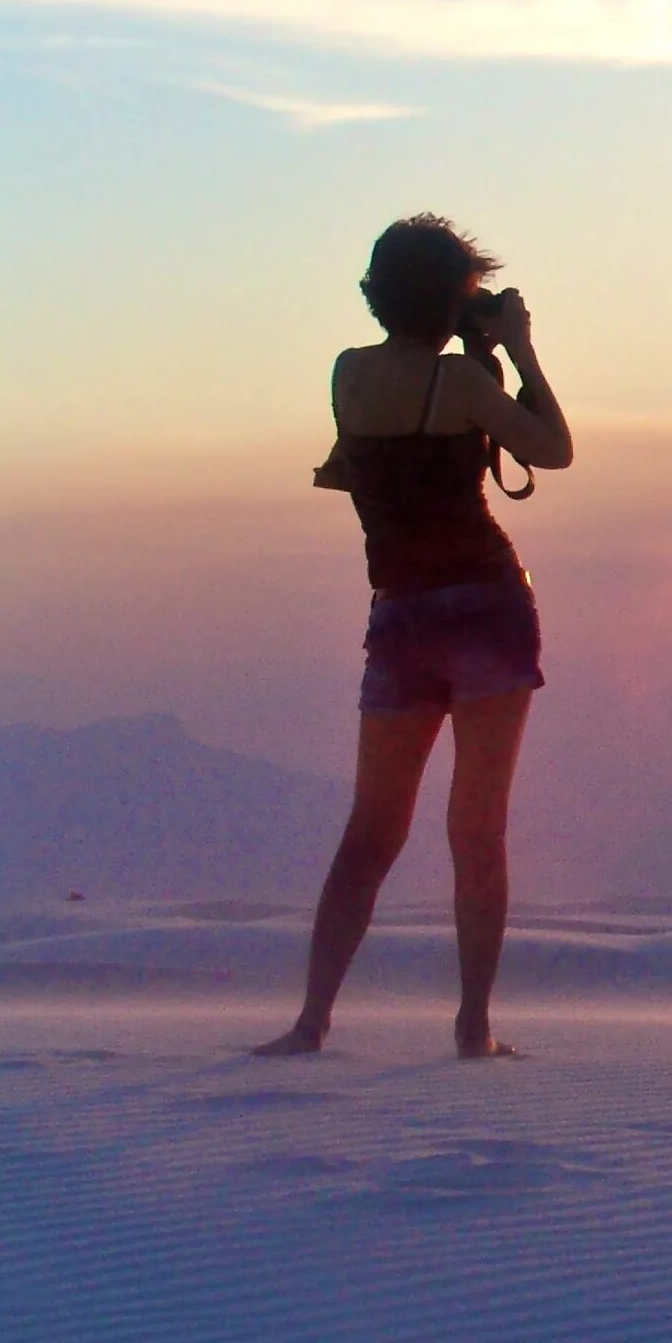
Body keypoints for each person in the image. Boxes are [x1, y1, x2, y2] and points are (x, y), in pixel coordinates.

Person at [253, 215, 573, 1059]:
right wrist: (520, 353)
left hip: (399, 615)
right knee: (478, 828)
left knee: (372, 829)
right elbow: (556, 449)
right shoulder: (464, 386)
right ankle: (474, 1024)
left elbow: (364, 464)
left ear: (378, 293)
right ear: (454, 298)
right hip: (488, 609)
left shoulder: (347, 374)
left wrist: (474, 355)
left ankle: (312, 1019)